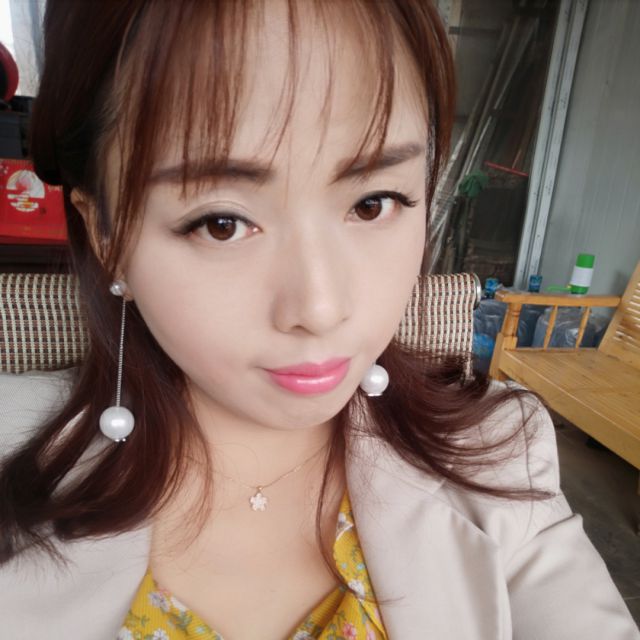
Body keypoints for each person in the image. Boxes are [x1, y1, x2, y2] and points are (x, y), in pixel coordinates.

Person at [0, 1, 637, 639]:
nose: (321, 308)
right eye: (221, 223)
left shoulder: (499, 455)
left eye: (373, 203)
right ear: (105, 233)